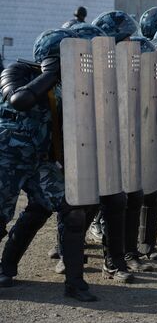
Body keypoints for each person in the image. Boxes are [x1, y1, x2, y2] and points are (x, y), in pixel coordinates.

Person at [0, 28, 97, 301]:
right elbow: (21, 100)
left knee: (73, 210)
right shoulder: (17, 71)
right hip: (7, 159)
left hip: (39, 162)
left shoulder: (69, 84)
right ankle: (5, 269)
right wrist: (51, 73)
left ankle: (75, 284)